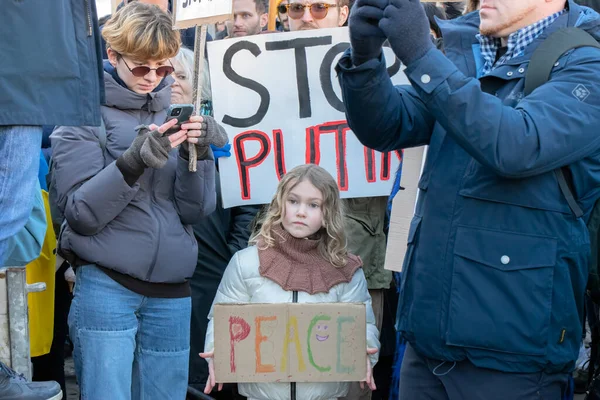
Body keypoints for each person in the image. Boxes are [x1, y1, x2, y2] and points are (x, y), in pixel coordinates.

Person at [339, 0, 600, 399]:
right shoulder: (469, 49)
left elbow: (517, 143)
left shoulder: (587, 61)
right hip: (428, 341)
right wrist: (364, 60)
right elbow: (388, 126)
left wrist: (423, 55)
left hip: (512, 353)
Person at [50, 3, 224, 399]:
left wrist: (199, 154)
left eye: (163, 69)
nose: (153, 78)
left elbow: (195, 211)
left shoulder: (177, 112)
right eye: (141, 68)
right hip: (107, 285)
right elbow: (79, 214)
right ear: (112, 56)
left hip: (173, 291)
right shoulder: (80, 113)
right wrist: (131, 163)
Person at [201, 164, 380, 399]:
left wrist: (364, 353)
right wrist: (217, 353)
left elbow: (364, 325)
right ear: (279, 205)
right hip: (262, 395)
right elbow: (222, 317)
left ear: (328, 214)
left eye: (313, 204)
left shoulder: (346, 270)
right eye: (293, 201)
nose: (301, 211)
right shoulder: (246, 263)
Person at [285, 1, 390, 398]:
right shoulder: (262, 71)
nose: (306, 15)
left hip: (354, 261)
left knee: (347, 382)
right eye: (296, 7)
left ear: (343, 13)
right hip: (281, 266)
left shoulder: (376, 64)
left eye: (318, 6)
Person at [170, 47, 262, 397]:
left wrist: (234, 255)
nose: (174, 83)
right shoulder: (148, 133)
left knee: (211, 369)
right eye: (169, 74)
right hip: (168, 271)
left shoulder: (225, 138)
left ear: (201, 87)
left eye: (182, 76)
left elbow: (249, 204)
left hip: (214, 271)